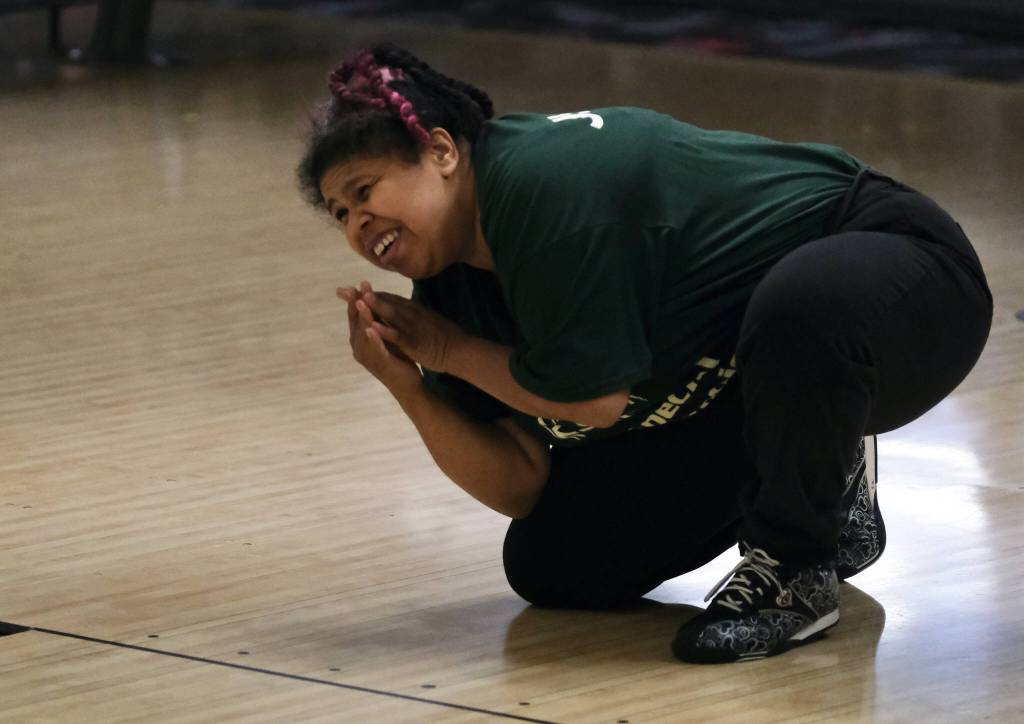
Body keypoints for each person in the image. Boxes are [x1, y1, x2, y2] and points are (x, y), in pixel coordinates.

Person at [297, 43, 993, 663]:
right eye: (340, 213)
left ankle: (793, 569)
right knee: (555, 564)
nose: (358, 223)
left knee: (799, 309)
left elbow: (594, 403)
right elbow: (519, 480)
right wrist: (410, 384)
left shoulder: (542, 184)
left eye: (365, 191)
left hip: (907, 284)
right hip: (747, 374)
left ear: (443, 152)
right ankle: (821, 467)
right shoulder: (447, 288)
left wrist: (448, 348)